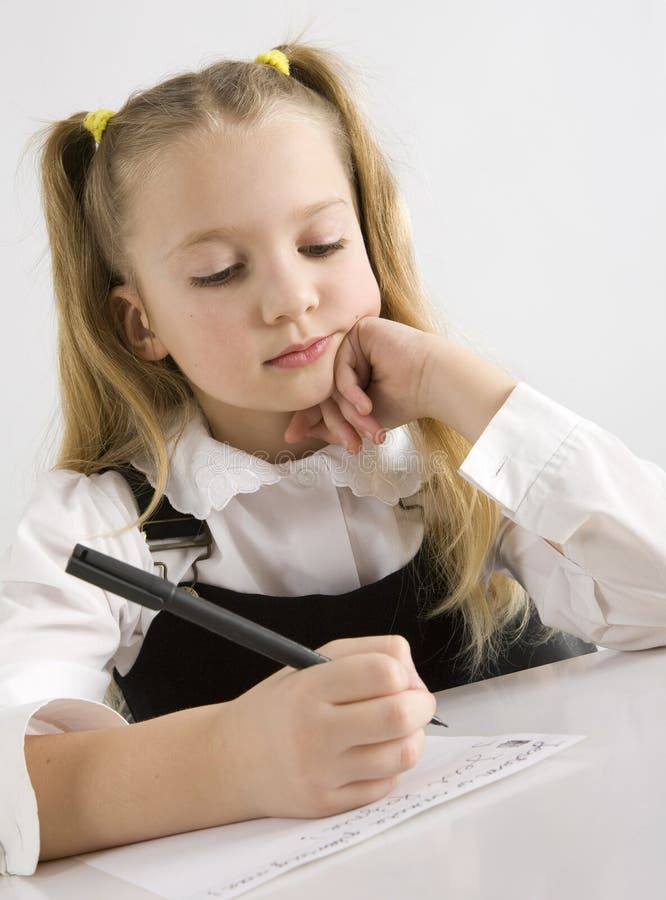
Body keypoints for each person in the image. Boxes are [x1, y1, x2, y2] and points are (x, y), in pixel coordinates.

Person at [1, 43, 665, 878]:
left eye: (320, 245)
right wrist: (233, 759)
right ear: (142, 326)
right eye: (219, 272)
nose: (290, 299)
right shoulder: (105, 523)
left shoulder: (448, 457)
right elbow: (10, 793)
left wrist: (469, 393)